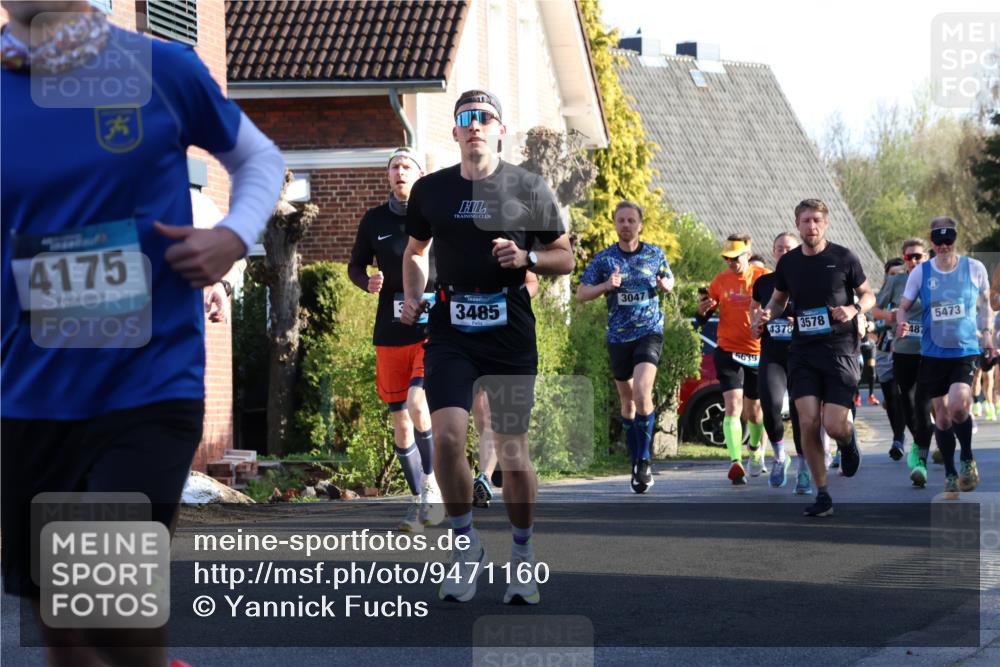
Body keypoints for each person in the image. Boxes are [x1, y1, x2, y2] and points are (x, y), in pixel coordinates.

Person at [0, 3, 284, 664]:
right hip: (28, 396)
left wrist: (232, 235)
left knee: (103, 599)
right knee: (62, 629)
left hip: (148, 385)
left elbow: (259, 159)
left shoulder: (158, 68)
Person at [401, 89, 574, 605]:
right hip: (451, 327)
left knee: (513, 451)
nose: (475, 125)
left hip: (509, 330)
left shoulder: (528, 186)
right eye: (466, 118)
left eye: (485, 117)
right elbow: (416, 251)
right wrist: (413, 293)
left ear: (500, 129)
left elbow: (564, 256)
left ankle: (522, 554)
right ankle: (465, 547)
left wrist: (528, 258)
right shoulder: (430, 191)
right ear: (455, 131)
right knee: (447, 437)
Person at [757, 199, 875, 517]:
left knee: (834, 424)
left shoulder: (844, 257)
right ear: (797, 224)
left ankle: (847, 442)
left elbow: (869, 294)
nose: (811, 226)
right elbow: (778, 300)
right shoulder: (789, 263)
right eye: (806, 220)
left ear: (826, 223)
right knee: (808, 422)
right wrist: (767, 314)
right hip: (803, 352)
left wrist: (853, 308)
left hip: (840, 349)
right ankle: (822, 493)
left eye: (817, 220)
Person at [348, 147, 443, 531]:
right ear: (388, 175)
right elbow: (355, 266)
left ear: (420, 174)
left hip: (430, 329)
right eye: (394, 167)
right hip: (390, 333)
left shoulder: (435, 215)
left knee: (419, 404)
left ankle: (433, 486)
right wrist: (366, 282)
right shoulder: (374, 220)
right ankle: (419, 500)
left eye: (406, 166)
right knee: (401, 423)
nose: (399, 171)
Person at [577, 201, 675, 493]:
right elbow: (581, 292)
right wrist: (606, 286)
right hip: (619, 337)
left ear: (640, 225)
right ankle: (636, 461)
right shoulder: (605, 259)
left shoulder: (654, 253)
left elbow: (669, 279)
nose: (626, 225)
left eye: (631, 220)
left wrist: (666, 285)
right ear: (615, 224)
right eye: (621, 220)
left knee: (643, 392)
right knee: (628, 402)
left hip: (649, 332)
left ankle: (644, 460)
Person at [896, 217, 996, 494]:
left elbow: (986, 306)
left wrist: (988, 335)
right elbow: (903, 307)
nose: (943, 246)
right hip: (933, 353)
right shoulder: (921, 273)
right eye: (938, 242)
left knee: (959, 406)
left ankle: (967, 458)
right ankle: (951, 471)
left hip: (965, 349)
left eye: (948, 240)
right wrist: (901, 322)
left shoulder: (974, 268)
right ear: (932, 242)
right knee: (941, 418)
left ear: (955, 239)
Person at [699, 233, 768, 484]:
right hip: (728, 350)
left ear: (748, 254)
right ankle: (735, 462)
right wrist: (703, 310)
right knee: (733, 406)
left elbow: (781, 303)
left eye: (735, 258)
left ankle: (755, 450)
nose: (730, 262)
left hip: (757, 352)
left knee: (754, 412)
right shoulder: (720, 281)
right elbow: (705, 312)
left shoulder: (764, 277)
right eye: (726, 258)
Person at [872, 239, 936, 486]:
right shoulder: (897, 281)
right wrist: (891, 317)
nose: (913, 261)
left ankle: (920, 459)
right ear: (904, 258)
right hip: (903, 350)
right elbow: (875, 309)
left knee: (924, 404)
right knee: (907, 403)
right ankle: (918, 442)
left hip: (931, 351)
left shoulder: (937, 280)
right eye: (909, 257)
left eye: (918, 256)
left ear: (926, 257)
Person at [472, 270, 538, 508]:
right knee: (481, 415)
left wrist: (511, 301)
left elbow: (532, 281)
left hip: (505, 341)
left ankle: (484, 477)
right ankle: (497, 458)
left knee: (491, 416)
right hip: (465, 341)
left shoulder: (503, 251)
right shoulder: (450, 252)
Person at [751, 233, 804, 490]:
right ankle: (780, 456)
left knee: (800, 410)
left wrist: (799, 321)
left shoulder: (808, 280)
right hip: (772, 353)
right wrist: (756, 324)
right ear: (773, 252)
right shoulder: (763, 283)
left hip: (802, 354)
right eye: (780, 248)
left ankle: (804, 465)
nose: (784, 252)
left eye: (789, 248)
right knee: (770, 405)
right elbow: (754, 312)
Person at [871, 258, 908, 458]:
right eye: (892, 274)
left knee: (908, 396)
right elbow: (872, 321)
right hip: (885, 350)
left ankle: (917, 436)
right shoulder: (882, 297)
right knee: (891, 396)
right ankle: (898, 437)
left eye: (899, 274)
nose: (896, 278)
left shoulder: (911, 292)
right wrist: (888, 318)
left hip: (909, 349)